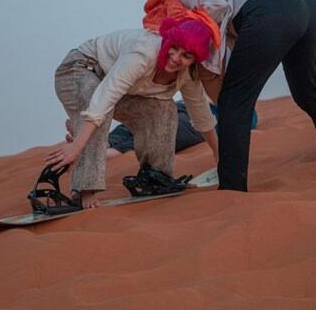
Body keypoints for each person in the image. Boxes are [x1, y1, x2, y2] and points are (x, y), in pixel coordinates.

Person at [143, 0, 316, 192]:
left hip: (272, 9)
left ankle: (231, 187)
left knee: (234, 100)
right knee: (307, 90)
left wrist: (205, 42)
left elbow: (218, 7)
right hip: (306, 6)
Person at [46, 19, 218, 208]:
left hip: (118, 89)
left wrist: (219, 154)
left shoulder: (188, 75)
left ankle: (155, 178)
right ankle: (84, 189)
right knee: (99, 109)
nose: (176, 58)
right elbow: (105, 97)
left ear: (194, 60)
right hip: (80, 69)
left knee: (163, 109)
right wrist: (76, 147)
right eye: (174, 48)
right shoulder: (143, 53)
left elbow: (201, 114)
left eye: (186, 55)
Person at [104, 101, 259, 159]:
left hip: (198, 114)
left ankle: (109, 151)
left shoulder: (250, 115)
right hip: (193, 110)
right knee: (140, 127)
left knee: (155, 131)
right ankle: (106, 149)